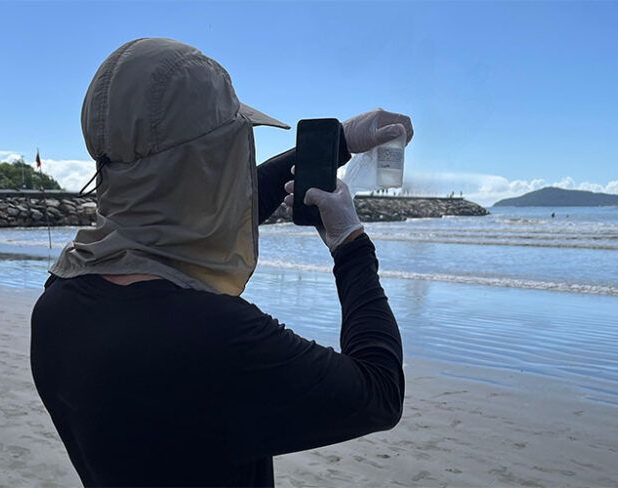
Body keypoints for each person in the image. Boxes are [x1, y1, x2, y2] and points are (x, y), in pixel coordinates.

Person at [30, 38, 413, 487]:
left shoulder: (58, 303)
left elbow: (201, 201)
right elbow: (379, 392)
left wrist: (340, 141)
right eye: (233, 146)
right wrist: (351, 246)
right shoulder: (213, 336)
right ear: (210, 164)